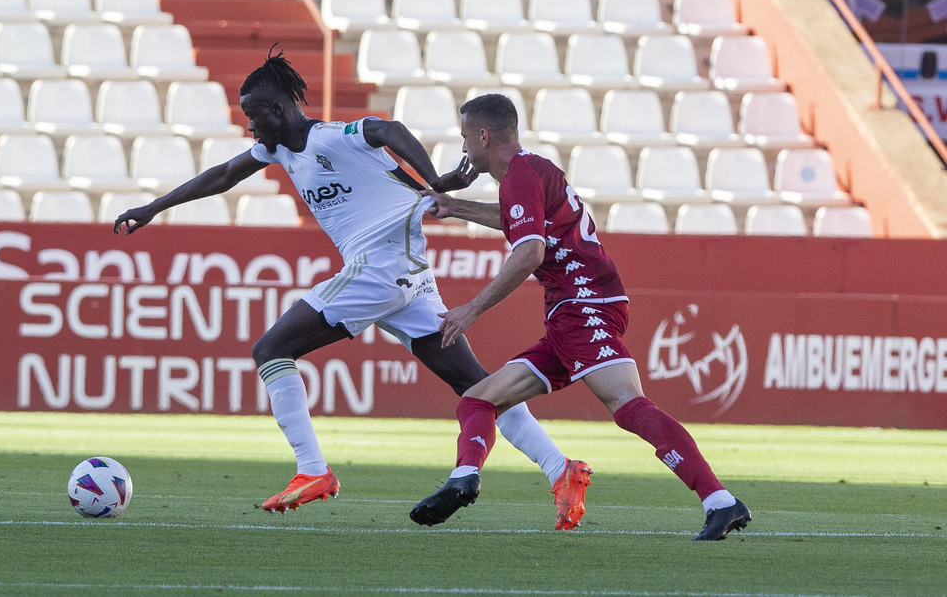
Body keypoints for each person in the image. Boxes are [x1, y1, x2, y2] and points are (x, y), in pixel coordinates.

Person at [113, 47, 591, 529]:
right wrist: (154, 207)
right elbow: (223, 174)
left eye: (255, 117)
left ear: (279, 109)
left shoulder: (329, 137)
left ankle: (312, 470)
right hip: (406, 277)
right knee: (478, 388)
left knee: (272, 349)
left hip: (380, 267)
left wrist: (433, 184)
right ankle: (562, 470)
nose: (251, 128)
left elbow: (388, 129)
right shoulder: (277, 149)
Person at [409, 93, 751, 541]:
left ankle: (719, 500)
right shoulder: (531, 171)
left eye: (464, 138)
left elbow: (530, 250)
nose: (463, 149)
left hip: (582, 304)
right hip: (573, 311)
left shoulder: (518, 176)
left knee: (627, 406)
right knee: (478, 400)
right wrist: (456, 207)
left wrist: (472, 308)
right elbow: (521, 223)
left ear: (482, 135)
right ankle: (464, 478)